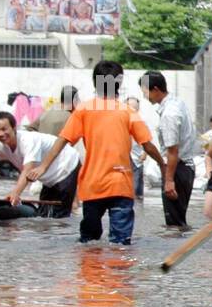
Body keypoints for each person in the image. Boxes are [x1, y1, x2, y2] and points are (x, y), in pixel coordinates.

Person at [28, 60, 166, 245]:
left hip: (93, 186)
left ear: (95, 82)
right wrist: (163, 166)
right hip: (121, 185)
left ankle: (92, 274)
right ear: (119, 82)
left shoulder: (84, 110)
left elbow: (63, 140)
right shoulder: (128, 112)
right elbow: (147, 145)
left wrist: (43, 166)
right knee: (121, 244)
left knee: (88, 242)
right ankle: (117, 273)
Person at [0, 112, 80, 218]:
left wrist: (15, 193)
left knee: (60, 215)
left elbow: (27, 170)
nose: (1, 134)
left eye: (4, 129)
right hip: (48, 177)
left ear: (14, 128)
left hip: (67, 166)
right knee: (44, 215)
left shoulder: (28, 140)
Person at [140, 71, 198, 229]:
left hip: (177, 169)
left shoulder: (169, 114)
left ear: (156, 90)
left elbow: (173, 151)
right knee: (178, 220)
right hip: (183, 168)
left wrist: (169, 180)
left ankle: (178, 252)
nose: (145, 97)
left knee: (174, 224)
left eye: (146, 92)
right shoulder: (177, 103)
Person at [125, 97, 149, 201]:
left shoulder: (141, 121)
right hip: (124, 158)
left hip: (137, 158)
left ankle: (138, 208)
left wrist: (145, 153)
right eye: (129, 107)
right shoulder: (121, 120)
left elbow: (147, 140)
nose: (131, 110)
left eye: (134, 108)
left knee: (137, 188)